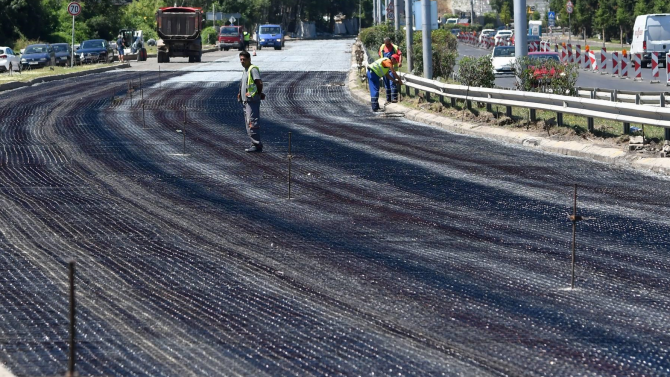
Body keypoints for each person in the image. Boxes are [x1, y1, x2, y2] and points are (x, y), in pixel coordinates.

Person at [237, 50, 265, 152]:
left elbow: (259, 82)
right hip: (246, 101)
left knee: (252, 122)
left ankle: (256, 145)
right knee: (249, 122)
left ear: (249, 59)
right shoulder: (245, 70)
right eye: (241, 60)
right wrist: (240, 93)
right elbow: (246, 83)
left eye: (244, 59)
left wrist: (257, 93)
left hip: (252, 100)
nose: (242, 61)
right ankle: (253, 143)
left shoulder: (252, 69)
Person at [378, 37, 402, 103]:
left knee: (392, 83)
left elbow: (400, 54)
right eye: (386, 44)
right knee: (386, 84)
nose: (387, 45)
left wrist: (400, 62)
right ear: (384, 43)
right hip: (385, 67)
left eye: (388, 44)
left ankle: (394, 98)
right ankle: (388, 99)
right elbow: (380, 56)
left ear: (390, 42)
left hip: (392, 67)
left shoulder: (395, 47)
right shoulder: (382, 47)